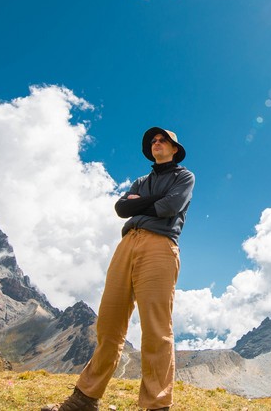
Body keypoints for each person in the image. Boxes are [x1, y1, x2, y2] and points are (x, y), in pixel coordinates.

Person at [46, 127, 195, 411]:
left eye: (163, 140)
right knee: (108, 323)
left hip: (160, 246)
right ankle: (85, 399)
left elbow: (170, 206)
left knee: (156, 328)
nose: (157, 143)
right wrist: (140, 204)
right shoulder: (141, 180)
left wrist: (140, 204)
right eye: (153, 141)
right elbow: (121, 209)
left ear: (175, 148)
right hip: (127, 244)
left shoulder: (184, 177)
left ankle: (156, 405)